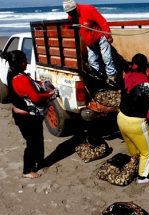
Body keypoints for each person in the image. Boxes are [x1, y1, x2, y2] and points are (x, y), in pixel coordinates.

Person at [4, 50, 56, 179]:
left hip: (24, 115)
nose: (26, 63)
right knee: (32, 143)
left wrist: (39, 84)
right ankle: (27, 170)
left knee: (37, 139)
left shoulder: (13, 73)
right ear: (18, 63)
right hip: (27, 118)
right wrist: (49, 94)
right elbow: (36, 98)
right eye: (23, 61)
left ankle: (39, 162)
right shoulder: (20, 78)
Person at [117, 53, 149, 184]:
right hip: (136, 123)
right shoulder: (146, 84)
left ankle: (135, 162)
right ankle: (142, 177)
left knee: (134, 148)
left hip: (121, 118)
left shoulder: (126, 76)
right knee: (148, 151)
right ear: (145, 66)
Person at [63, 0, 118, 87]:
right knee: (92, 60)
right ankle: (97, 77)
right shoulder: (71, 16)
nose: (70, 14)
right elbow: (67, 28)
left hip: (100, 36)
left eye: (71, 12)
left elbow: (102, 21)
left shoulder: (88, 9)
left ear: (75, 8)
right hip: (89, 40)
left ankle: (112, 77)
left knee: (106, 57)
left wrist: (108, 35)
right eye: (69, 13)